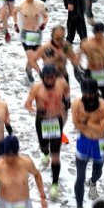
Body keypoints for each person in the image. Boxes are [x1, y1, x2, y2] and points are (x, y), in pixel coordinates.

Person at [25, 64, 71, 200]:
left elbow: (67, 94)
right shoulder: (36, 88)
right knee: (44, 146)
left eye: (52, 78)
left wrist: (67, 101)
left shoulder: (62, 84)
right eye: (47, 78)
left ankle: (54, 185)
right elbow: (27, 104)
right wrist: (36, 110)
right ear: (43, 78)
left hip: (56, 120)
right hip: (42, 121)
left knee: (55, 154)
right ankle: (45, 152)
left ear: (55, 77)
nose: (50, 81)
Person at [72, 79, 104, 208]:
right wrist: (93, 123)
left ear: (96, 92)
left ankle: (93, 182)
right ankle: (79, 207)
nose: (88, 96)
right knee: (80, 176)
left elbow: (101, 130)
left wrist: (86, 121)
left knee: (98, 172)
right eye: (85, 94)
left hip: (100, 143)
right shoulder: (77, 103)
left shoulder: (103, 106)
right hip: (83, 141)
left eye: (91, 94)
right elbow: (76, 124)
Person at [79, 23, 104, 100]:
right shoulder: (87, 43)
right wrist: (79, 67)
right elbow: (79, 55)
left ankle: (102, 108)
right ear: (94, 32)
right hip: (91, 70)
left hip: (102, 71)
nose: (99, 35)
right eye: (97, 33)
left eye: (101, 33)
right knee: (90, 94)